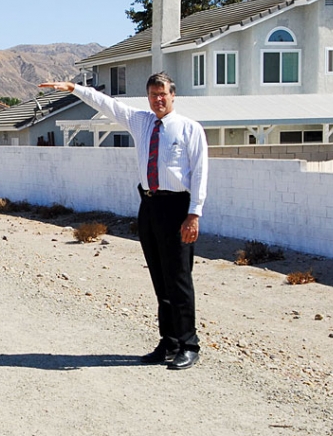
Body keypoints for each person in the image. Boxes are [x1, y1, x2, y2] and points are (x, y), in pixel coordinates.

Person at [39, 73, 208, 370]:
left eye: (162, 94)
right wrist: (74, 88)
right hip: (150, 205)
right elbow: (106, 103)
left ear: (173, 95)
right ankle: (168, 342)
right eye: (153, 94)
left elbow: (200, 173)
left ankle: (188, 343)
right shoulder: (141, 121)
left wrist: (193, 214)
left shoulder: (189, 129)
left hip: (177, 207)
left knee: (179, 278)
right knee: (159, 279)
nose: (158, 99)